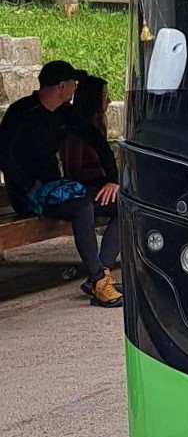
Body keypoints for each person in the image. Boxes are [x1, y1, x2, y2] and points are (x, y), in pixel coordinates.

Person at [0, 60, 122, 307]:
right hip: (28, 194)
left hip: (58, 189)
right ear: (61, 86)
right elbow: (4, 155)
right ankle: (97, 280)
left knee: (123, 205)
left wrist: (112, 180)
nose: (76, 88)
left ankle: (102, 274)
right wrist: (30, 185)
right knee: (82, 207)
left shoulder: (66, 113)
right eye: (73, 83)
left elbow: (97, 141)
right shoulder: (21, 113)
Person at [60, 73, 122, 294]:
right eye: (104, 96)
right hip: (83, 190)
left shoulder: (95, 126)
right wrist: (104, 183)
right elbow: (73, 171)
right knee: (122, 207)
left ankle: (101, 272)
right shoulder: (76, 132)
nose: (109, 101)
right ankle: (99, 275)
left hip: (98, 188)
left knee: (127, 208)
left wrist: (110, 182)